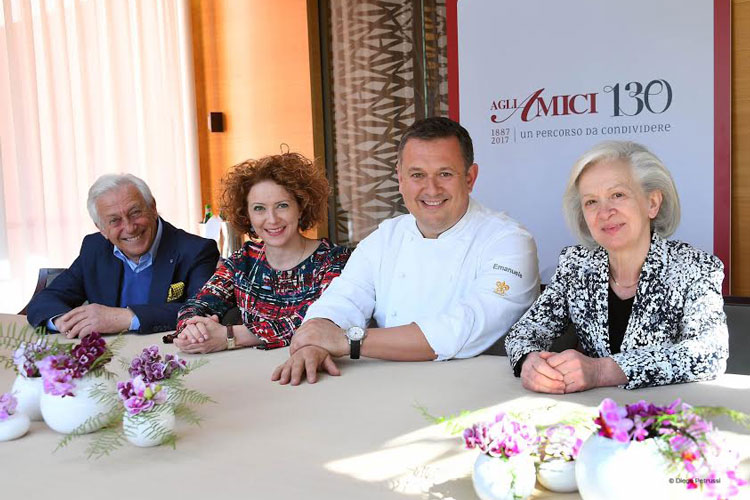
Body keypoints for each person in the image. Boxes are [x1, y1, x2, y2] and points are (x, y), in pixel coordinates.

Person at [272, 117, 540, 385]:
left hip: (477, 390)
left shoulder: (508, 242)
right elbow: (343, 299)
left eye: (445, 174)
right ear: (400, 178)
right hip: (386, 384)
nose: (431, 189)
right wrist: (314, 342)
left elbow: (463, 328)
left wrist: (346, 340)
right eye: (417, 175)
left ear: (470, 178)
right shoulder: (384, 239)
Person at [505, 141, 729, 393]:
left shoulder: (695, 267)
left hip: (666, 413)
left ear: (652, 203)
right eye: (591, 202)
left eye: (618, 195)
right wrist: (530, 360)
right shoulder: (575, 264)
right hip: (587, 414)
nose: (604, 212)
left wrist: (602, 370)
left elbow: (710, 352)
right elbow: (525, 332)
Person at [172, 152, 351, 354]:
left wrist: (229, 336)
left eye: (282, 205)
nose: (272, 219)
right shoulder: (243, 261)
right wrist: (194, 329)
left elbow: (312, 324)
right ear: (246, 215)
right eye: (259, 209)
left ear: (301, 208)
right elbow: (196, 304)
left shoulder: (334, 261)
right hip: (251, 373)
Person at [26, 174, 220, 337]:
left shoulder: (196, 250)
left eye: (135, 213)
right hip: (107, 361)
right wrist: (64, 322)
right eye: (114, 221)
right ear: (101, 228)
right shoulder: (94, 248)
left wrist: (124, 318)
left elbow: (203, 310)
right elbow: (45, 300)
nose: (129, 227)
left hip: (171, 359)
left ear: (152, 207)